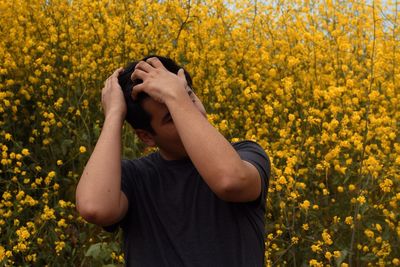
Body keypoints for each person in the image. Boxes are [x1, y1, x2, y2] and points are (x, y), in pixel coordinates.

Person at [76, 55, 270, 266]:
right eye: (171, 116)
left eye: (189, 97)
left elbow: (230, 181)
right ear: (147, 137)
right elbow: (95, 207)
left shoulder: (245, 154)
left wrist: (176, 96)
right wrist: (114, 114)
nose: (190, 111)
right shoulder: (135, 177)